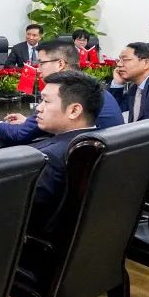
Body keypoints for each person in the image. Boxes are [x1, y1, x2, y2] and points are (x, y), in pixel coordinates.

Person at [0, 39, 124, 144]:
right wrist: (28, 121)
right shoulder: (86, 84)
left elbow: (20, 135)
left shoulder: (66, 90)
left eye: (42, 63)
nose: (38, 69)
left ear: (60, 64)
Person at [27, 71, 103, 235]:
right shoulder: (104, 142)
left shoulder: (49, 158)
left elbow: (28, 214)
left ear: (74, 110)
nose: (38, 108)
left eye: (46, 101)